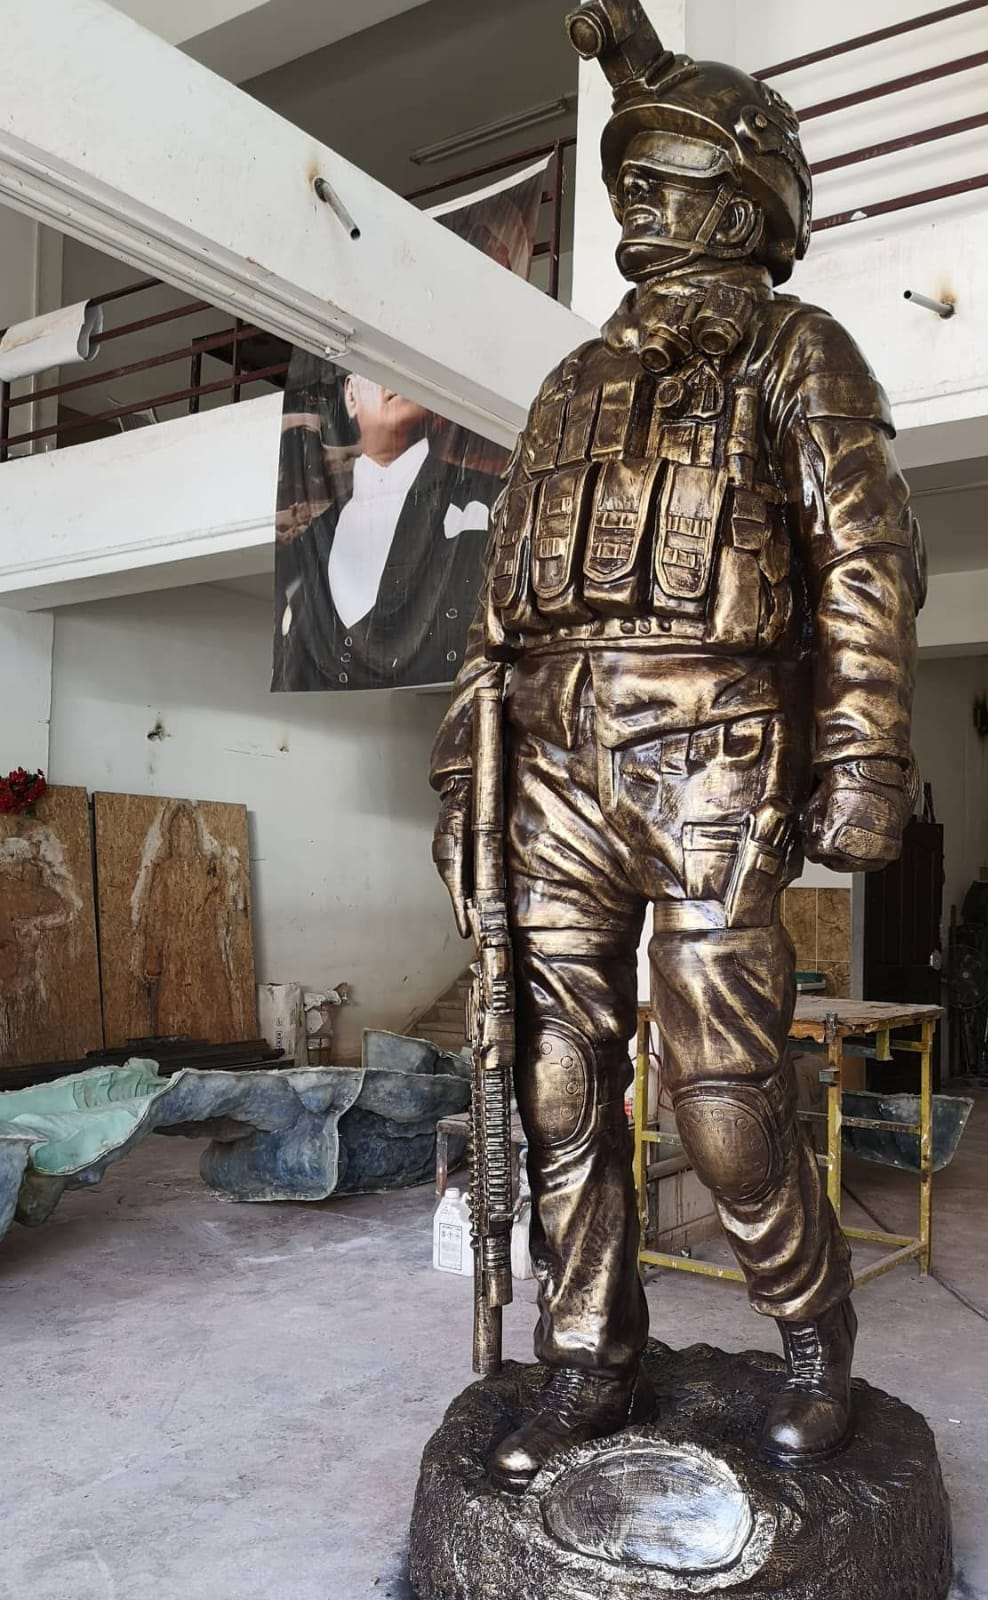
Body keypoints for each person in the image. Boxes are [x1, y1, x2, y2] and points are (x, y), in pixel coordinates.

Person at [430, 0, 924, 1494]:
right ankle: (591, 1353)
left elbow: (864, 562)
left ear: (749, 200)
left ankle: (812, 1337)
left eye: (670, 177)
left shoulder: (799, 352)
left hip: (713, 756)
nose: (636, 202)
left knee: (724, 1094)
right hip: (549, 766)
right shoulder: (570, 381)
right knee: (557, 1083)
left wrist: (864, 759)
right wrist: (463, 777)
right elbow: (495, 611)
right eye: (629, 179)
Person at [274, 374, 497, 691]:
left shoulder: (487, 495)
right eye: (376, 370)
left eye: (407, 370)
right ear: (351, 395)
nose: (394, 379)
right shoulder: (311, 539)